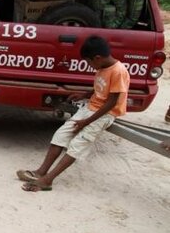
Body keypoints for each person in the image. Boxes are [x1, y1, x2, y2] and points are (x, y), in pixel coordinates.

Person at [17, 35, 130, 192]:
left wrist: (87, 121)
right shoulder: (102, 67)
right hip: (90, 108)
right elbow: (100, 88)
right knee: (61, 134)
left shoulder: (118, 71)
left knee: (77, 146)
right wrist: (84, 94)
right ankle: (41, 171)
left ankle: (48, 180)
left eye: (89, 62)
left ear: (97, 58)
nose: (90, 66)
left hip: (105, 114)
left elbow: (112, 102)